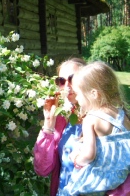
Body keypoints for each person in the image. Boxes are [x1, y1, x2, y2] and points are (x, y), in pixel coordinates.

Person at [33, 58, 130, 196]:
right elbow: (42, 169)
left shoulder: (95, 118)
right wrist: (49, 124)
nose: (67, 86)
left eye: (72, 79)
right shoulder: (61, 120)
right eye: (61, 81)